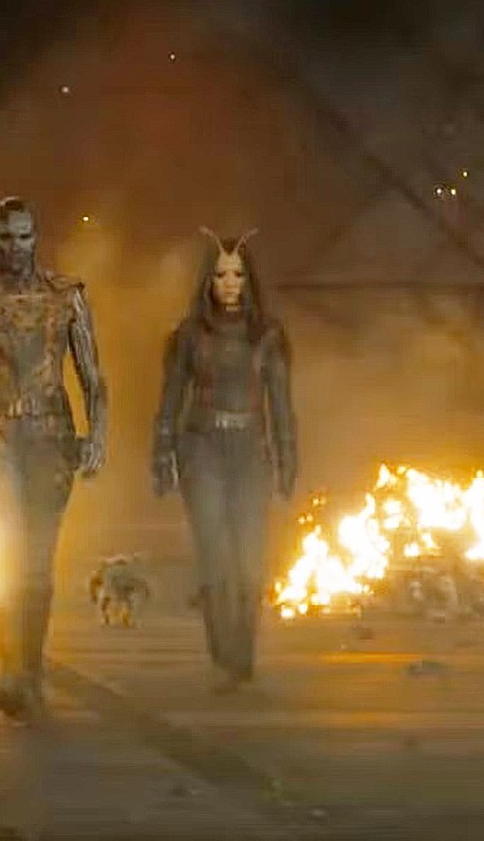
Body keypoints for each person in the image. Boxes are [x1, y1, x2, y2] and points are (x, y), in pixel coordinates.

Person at [0, 196, 106, 723]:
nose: (15, 247)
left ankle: (29, 670)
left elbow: (92, 377)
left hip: (50, 438)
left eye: (23, 237)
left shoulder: (66, 297)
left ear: (36, 238)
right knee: (6, 554)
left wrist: (97, 435)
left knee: (38, 564)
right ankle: (11, 670)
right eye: (6, 237)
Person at [151, 229, 296, 691]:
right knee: (215, 557)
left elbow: (280, 403)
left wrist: (288, 460)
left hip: (251, 451)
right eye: (220, 275)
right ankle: (224, 657)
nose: (229, 283)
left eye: (237, 274)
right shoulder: (189, 335)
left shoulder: (268, 336)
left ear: (249, 279)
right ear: (207, 280)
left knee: (249, 560)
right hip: (202, 449)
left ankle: (242, 656)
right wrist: (162, 455)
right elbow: (171, 399)